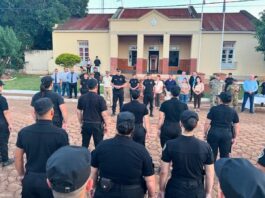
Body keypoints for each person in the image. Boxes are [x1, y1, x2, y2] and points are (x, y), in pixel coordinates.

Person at [89, 112, 156, 198]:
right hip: (132, 193)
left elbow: (93, 172)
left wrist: (93, 188)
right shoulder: (141, 151)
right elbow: (150, 181)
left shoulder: (102, 146)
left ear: (116, 127)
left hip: (105, 192)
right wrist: (152, 196)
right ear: (133, 129)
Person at [15, 98, 69, 198]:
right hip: (51, 180)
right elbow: (64, 161)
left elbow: (17, 157)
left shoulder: (24, 132)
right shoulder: (61, 134)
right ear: (52, 112)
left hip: (30, 178)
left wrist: (22, 175)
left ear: (35, 113)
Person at [159, 110, 214, 198]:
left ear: (180, 124)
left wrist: (161, 190)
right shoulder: (205, 147)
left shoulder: (170, 144)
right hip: (196, 189)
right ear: (196, 125)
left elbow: (164, 171)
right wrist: (208, 193)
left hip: (175, 188)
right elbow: (210, 174)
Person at [204, 92, 240, 161]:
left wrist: (205, 133)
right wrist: (235, 137)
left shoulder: (214, 109)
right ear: (230, 101)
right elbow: (236, 125)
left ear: (220, 99)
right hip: (226, 134)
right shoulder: (233, 111)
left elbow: (207, 123)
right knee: (225, 155)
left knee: (212, 154)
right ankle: (222, 170)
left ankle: (211, 170)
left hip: (214, 133)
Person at [77, 79, 109, 148]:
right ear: (97, 86)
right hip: (97, 124)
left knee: (84, 144)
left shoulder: (82, 98)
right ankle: (97, 158)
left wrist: (81, 122)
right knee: (98, 145)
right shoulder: (100, 99)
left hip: (86, 123)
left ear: (87, 86)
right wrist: (107, 125)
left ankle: (84, 157)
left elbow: (78, 112)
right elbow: (104, 114)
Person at [0, 80, 14, 167]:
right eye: (1, 86)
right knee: (3, 142)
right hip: (2, 124)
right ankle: (5, 160)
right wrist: (10, 124)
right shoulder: (2, 99)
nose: (2, 87)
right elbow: (6, 113)